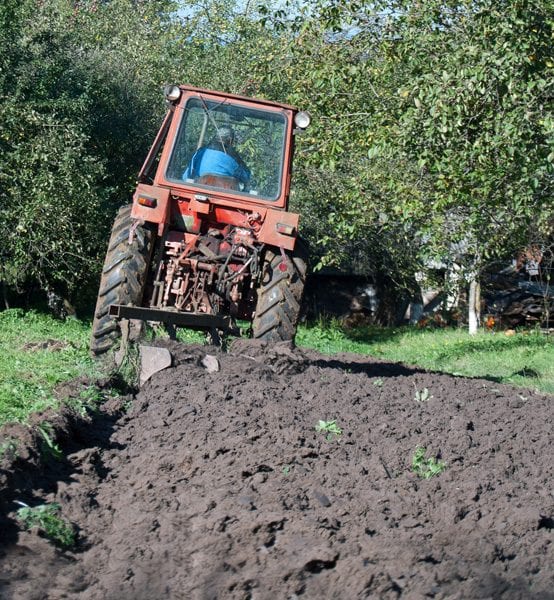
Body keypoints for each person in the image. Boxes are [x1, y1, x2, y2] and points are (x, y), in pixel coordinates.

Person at [183, 125, 251, 190]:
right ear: (230, 140)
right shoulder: (234, 157)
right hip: (225, 197)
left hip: (199, 192)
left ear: (216, 137)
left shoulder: (201, 152)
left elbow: (186, 176)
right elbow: (246, 177)